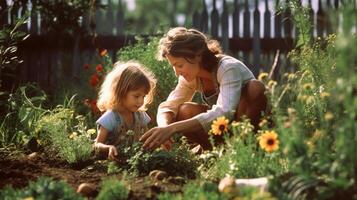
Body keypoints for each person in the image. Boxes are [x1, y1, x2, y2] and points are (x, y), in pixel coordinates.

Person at [140, 27, 267, 151]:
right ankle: (214, 151)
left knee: (255, 88)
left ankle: (244, 149)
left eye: (179, 65)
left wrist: (173, 128)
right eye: (174, 66)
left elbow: (225, 111)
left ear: (198, 56)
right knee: (184, 110)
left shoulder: (227, 68)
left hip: (252, 126)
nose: (177, 73)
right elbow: (168, 106)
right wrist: (164, 128)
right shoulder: (190, 77)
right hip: (223, 130)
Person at [94, 61, 156, 160]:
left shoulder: (140, 116)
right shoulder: (111, 117)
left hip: (135, 162)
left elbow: (147, 140)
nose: (140, 101)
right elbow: (96, 145)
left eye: (143, 96)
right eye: (136, 96)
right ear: (120, 93)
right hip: (114, 163)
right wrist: (108, 148)